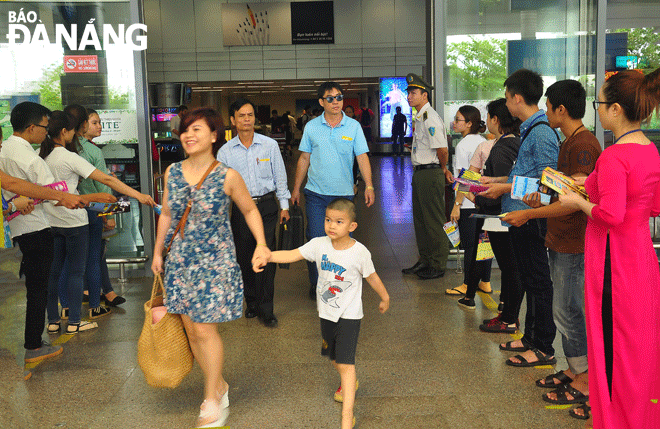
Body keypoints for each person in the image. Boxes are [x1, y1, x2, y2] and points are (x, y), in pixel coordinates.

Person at [152, 107, 270, 428]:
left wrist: (261, 243)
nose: (188, 136)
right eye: (185, 131)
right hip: (180, 260)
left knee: (205, 329)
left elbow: (249, 211)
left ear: (214, 136)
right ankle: (219, 383)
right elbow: (166, 214)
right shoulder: (172, 172)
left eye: (197, 130)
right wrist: (158, 250)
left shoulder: (227, 175)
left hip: (214, 262)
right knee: (191, 330)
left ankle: (211, 397)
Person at [559, 68, 660, 428]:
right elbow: (652, 205)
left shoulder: (615, 156)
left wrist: (577, 201)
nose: (597, 109)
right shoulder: (649, 150)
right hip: (641, 257)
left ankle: (615, 418)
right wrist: (592, 184)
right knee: (638, 346)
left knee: (610, 344)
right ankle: (640, 414)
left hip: (612, 261)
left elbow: (611, 215)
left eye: (599, 102)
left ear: (616, 109)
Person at [502, 80, 600, 415]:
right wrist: (541, 195)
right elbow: (563, 191)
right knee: (564, 307)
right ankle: (575, 370)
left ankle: (584, 378)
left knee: (568, 311)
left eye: (549, 106)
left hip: (573, 242)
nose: (546, 112)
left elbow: (575, 202)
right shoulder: (570, 141)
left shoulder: (584, 144)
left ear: (561, 109)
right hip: (560, 238)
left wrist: (530, 211)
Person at [259, 198, 389, 429]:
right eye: (328, 220)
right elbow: (292, 254)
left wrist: (385, 297)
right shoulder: (319, 245)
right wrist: (269, 256)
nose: (331, 225)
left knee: (346, 364)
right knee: (334, 358)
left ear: (352, 226)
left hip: (349, 315)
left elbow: (372, 277)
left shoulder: (359, 253)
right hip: (326, 313)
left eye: (339, 221)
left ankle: (347, 416)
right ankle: (350, 381)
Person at [42, 110, 154, 334]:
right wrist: (138, 195)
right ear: (65, 132)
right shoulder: (69, 157)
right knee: (76, 272)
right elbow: (106, 178)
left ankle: (53, 321)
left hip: (50, 220)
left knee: (54, 272)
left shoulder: (42, 156)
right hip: (73, 221)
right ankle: (75, 321)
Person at [478, 69, 560, 368]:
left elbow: (548, 186)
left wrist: (504, 186)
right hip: (519, 217)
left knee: (538, 281)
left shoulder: (540, 133)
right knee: (528, 277)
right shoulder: (529, 130)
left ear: (517, 98)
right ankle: (530, 338)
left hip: (532, 217)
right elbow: (525, 175)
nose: (506, 104)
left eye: (508, 97)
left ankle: (543, 347)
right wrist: (497, 181)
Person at [0, 102, 86, 364]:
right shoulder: (25, 156)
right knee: (37, 288)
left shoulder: (9, 151)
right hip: (32, 228)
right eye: (44, 128)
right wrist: (83, 199)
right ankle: (33, 345)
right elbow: (46, 192)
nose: (47, 133)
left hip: (16, 229)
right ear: (31, 127)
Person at [291, 81, 376, 299]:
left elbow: (362, 157)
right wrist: (296, 189)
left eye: (339, 97)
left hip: (344, 195)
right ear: (321, 102)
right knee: (318, 239)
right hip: (316, 194)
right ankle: (317, 282)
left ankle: (342, 282)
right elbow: (304, 159)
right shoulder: (311, 127)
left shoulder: (353, 127)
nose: (336, 102)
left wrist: (369, 184)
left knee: (342, 241)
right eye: (330, 98)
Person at [217, 98, 291, 328]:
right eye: (242, 116)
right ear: (233, 120)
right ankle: (251, 302)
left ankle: (266, 309)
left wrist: (284, 205)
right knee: (245, 256)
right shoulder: (226, 151)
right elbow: (220, 186)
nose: (247, 119)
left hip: (267, 206)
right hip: (241, 208)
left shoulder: (268, 145)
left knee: (266, 257)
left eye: (250, 115)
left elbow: (280, 176)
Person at [454, 99, 521, 312]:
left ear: (495, 119)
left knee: (491, 256)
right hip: (508, 212)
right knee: (502, 258)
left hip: (493, 213)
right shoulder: (518, 143)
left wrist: (471, 199)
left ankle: (479, 298)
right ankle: (496, 297)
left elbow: (470, 179)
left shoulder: (493, 148)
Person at [401, 73, 453, 280]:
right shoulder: (420, 116)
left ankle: (438, 263)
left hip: (431, 172)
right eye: (409, 93)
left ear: (425, 95)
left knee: (433, 219)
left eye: (413, 93)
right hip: (421, 173)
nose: (409, 97)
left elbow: (442, 148)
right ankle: (425, 259)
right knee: (421, 220)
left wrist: (443, 168)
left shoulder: (430, 117)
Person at [81, 108, 125, 307]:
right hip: (95, 208)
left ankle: (103, 290)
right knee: (97, 253)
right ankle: (103, 293)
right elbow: (101, 186)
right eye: (94, 123)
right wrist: (109, 214)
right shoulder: (92, 151)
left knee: (93, 253)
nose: (99, 126)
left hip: (80, 208)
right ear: (82, 125)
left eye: (100, 122)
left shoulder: (72, 149)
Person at [447, 105, 491, 295]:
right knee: (484, 243)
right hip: (485, 201)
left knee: (471, 245)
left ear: (469, 123)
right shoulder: (483, 142)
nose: (455, 123)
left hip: (467, 203)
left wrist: (457, 205)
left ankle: (467, 283)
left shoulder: (463, 145)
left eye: (458, 120)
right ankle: (486, 282)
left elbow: (464, 180)